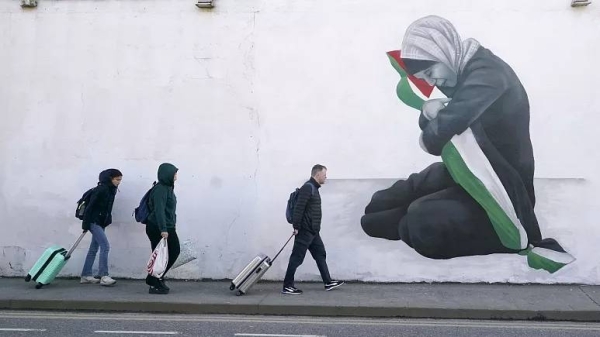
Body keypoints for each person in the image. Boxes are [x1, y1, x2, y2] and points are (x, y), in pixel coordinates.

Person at [361, 15, 574, 273]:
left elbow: (439, 134)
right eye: (423, 77)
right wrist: (428, 113)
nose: (431, 83)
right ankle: (396, 217)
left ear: (444, 51)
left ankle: (410, 222)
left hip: (503, 193)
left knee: (419, 220)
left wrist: (430, 120)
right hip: (472, 172)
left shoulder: (488, 75)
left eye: (430, 72)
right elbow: (445, 118)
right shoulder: (466, 71)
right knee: (392, 198)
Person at [282, 164, 345, 295]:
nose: (326, 176)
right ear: (317, 175)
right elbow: (299, 208)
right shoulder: (307, 188)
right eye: (324, 174)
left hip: (313, 232)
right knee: (297, 258)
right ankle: (287, 286)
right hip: (305, 230)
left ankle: (328, 282)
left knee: (320, 254)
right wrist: (296, 227)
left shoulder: (314, 188)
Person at [80, 168, 123, 286]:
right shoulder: (101, 189)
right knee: (105, 246)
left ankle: (86, 275)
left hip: (100, 222)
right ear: (110, 178)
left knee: (94, 248)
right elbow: (90, 207)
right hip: (93, 222)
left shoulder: (111, 190)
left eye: (120, 180)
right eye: (117, 179)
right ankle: (104, 275)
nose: (119, 182)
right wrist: (85, 224)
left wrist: (106, 220)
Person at [145, 163, 181, 294]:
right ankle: (154, 280)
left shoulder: (168, 188)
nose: (176, 176)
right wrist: (163, 229)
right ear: (167, 174)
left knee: (166, 255)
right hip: (158, 227)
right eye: (174, 173)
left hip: (168, 226)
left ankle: (156, 278)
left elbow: (168, 210)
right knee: (170, 252)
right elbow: (159, 210)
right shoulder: (160, 189)